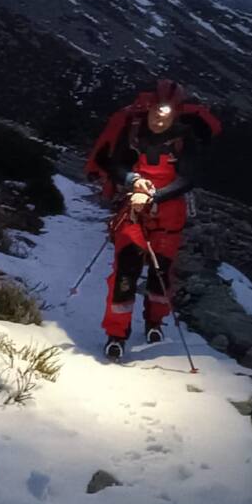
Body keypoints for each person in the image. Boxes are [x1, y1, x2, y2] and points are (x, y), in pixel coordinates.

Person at [83, 79, 222, 361]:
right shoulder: (133, 131)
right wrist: (134, 180)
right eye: (156, 113)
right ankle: (116, 334)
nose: (159, 120)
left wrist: (152, 195)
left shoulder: (185, 137)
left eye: (165, 115)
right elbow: (115, 163)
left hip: (166, 213)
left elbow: (188, 178)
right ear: (147, 109)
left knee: (162, 272)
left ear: (175, 114)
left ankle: (154, 321)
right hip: (135, 210)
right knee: (126, 269)